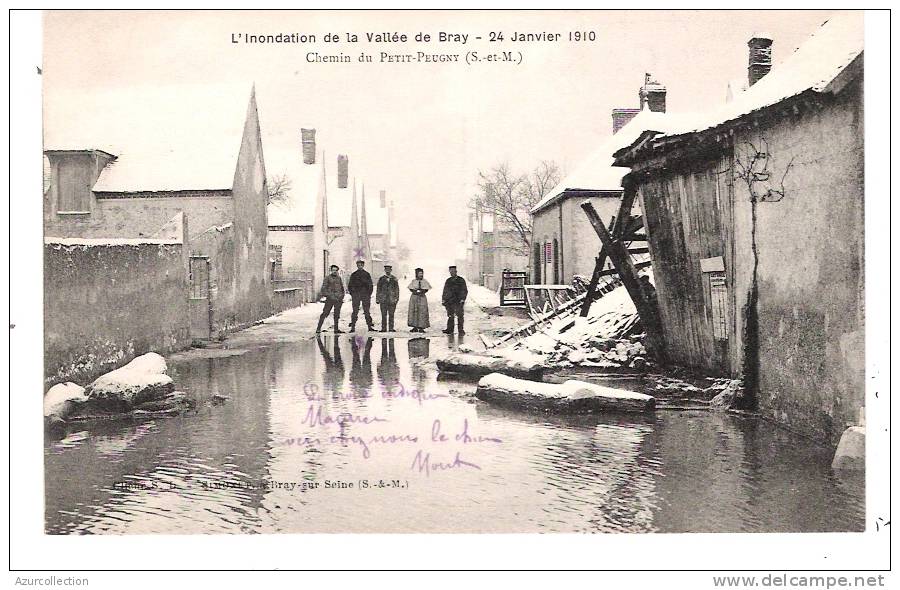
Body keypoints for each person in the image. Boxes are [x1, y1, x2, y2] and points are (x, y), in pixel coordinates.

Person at [315, 264, 345, 334]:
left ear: (337, 271)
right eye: (333, 270)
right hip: (330, 299)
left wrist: (342, 296)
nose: (334, 271)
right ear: (331, 271)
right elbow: (323, 289)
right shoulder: (327, 278)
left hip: (338, 299)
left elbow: (342, 288)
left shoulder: (339, 278)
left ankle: (336, 329)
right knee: (325, 313)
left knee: (337, 314)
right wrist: (330, 296)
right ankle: (318, 328)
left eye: (335, 270)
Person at [347, 260, 374, 331]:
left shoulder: (367, 274)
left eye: (361, 265)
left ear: (363, 265)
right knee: (355, 311)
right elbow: (350, 285)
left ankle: (369, 326)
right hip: (356, 295)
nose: (360, 266)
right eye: (358, 265)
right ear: (357, 266)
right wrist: (353, 294)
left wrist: (368, 294)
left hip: (365, 295)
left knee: (367, 311)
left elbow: (370, 285)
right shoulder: (354, 275)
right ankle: (353, 327)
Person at [441, 265, 468, 335]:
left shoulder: (461, 280)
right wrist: (444, 299)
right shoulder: (448, 281)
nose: (452, 273)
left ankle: (461, 330)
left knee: (460, 316)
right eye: (450, 271)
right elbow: (445, 291)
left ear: (456, 271)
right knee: (450, 315)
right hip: (450, 301)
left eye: (453, 271)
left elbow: (464, 290)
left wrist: (462, 299)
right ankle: (450, 329)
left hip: (458, 301)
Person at [375, 264, 400, 332]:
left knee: (391, 314)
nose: (387, 271)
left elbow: (397, 290)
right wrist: (377, 298)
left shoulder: (394, 279)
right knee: (383, 315)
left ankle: (391, 328)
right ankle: (383, 328)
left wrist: (396, 298)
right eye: (386, 269)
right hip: (383, 299)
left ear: (391, 270)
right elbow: (378, 289)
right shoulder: (381, 279)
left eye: (389, 269)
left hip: (392, 299)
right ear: (385, 270)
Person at [407, 268, 431, 333]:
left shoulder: (425, 281)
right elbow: (411, 288)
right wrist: (416, 291)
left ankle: (421, 327)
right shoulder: (413, 281)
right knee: (414, 311)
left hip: (422, 298)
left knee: (422, 311)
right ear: (416, 274)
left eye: (421, 273)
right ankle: (414, 326)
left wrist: (421, 291)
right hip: (414, 298)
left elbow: (426, 289)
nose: (421, 275)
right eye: (419, 273)